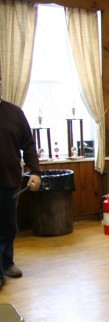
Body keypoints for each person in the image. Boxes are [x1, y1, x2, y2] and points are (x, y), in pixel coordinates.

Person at [0, 78, 42, 287]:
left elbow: (29, 144)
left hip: (9, 183)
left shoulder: (14, 113)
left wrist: (35, 171)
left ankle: (7, 263)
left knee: (8, 227)